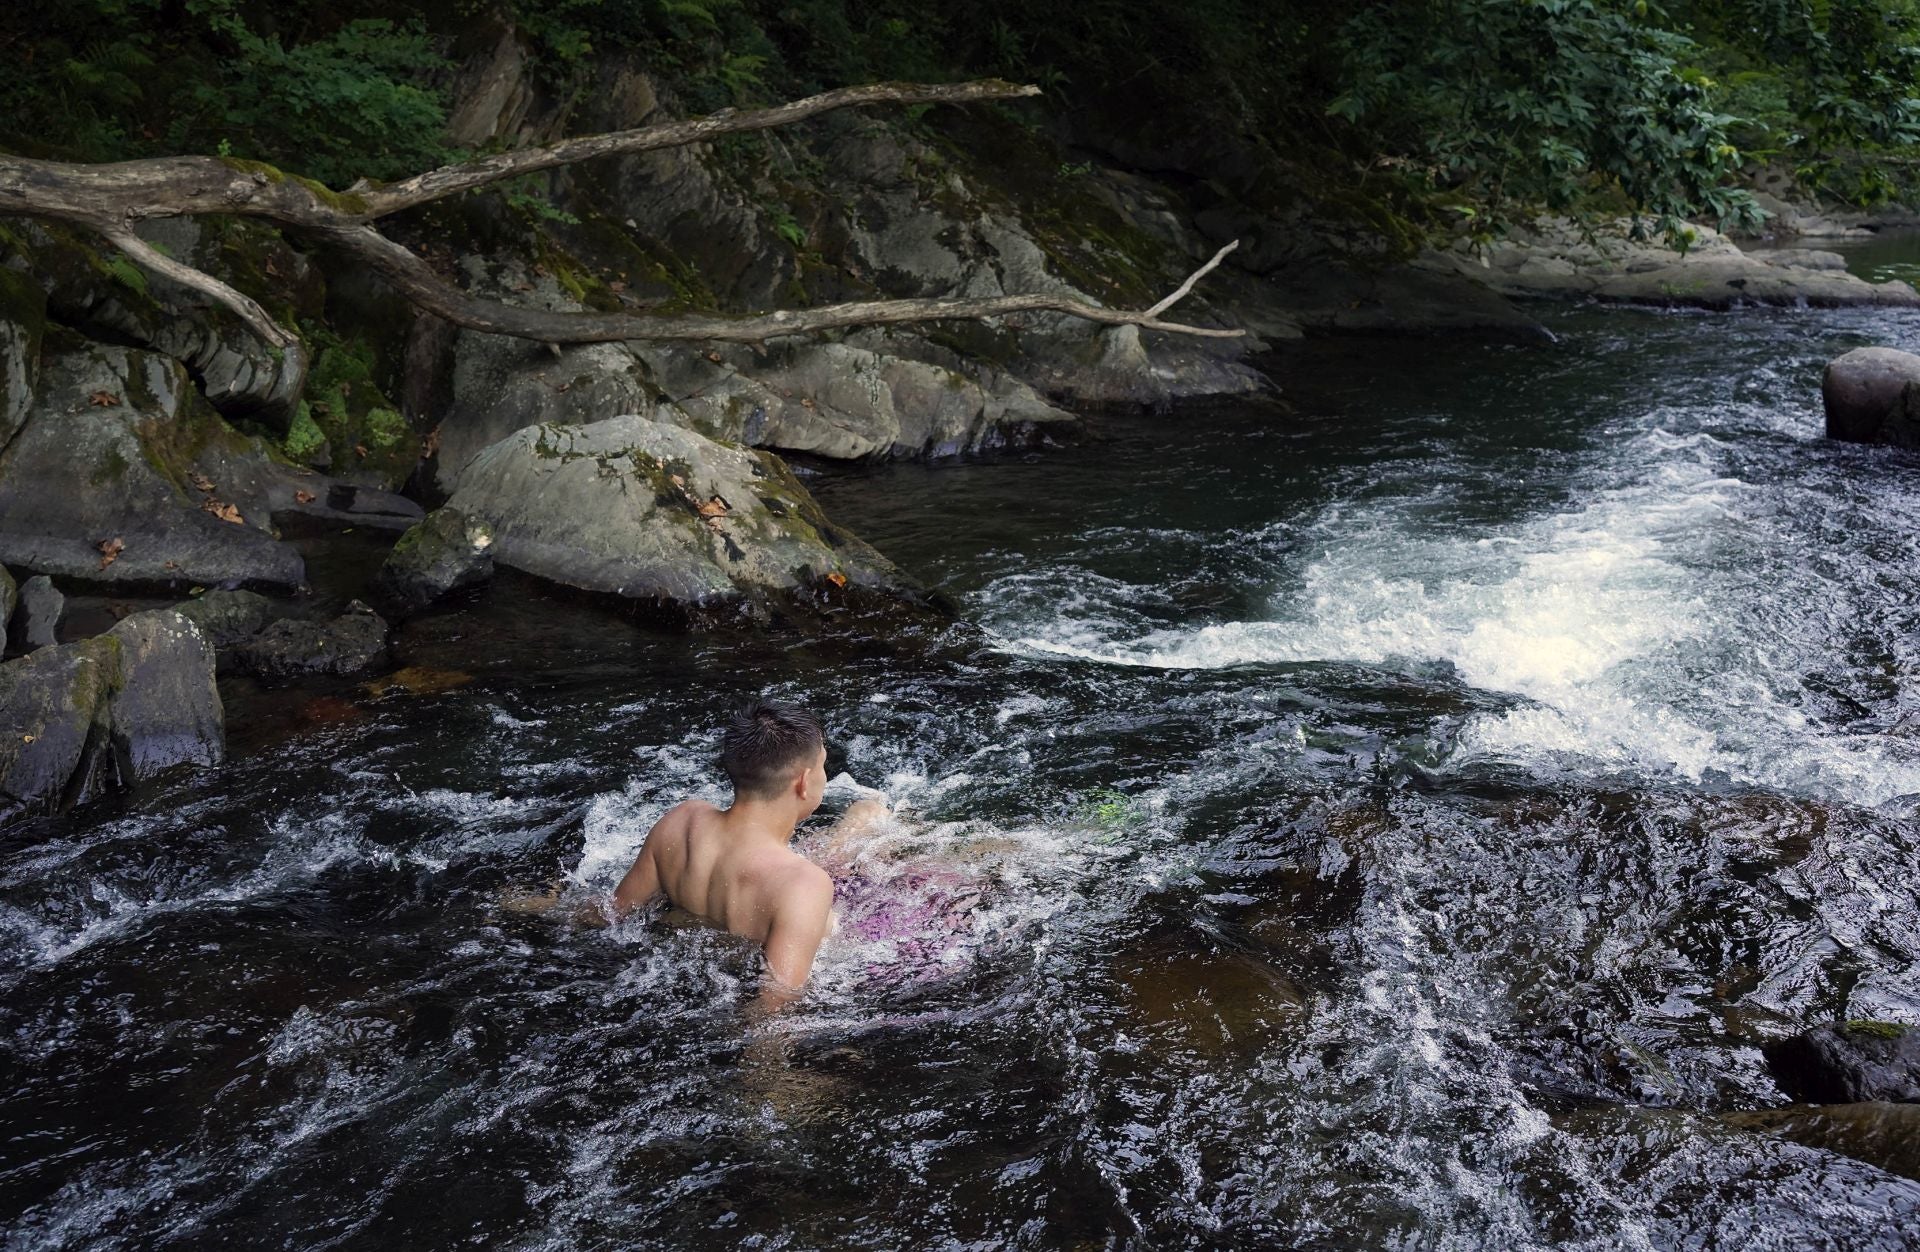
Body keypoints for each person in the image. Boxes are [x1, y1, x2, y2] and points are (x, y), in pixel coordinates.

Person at [610, 699, 887, 1001]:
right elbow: (774, 1006)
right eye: (822, 764)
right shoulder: (804, 884)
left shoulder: (681, 822)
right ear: (804, 782)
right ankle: (865, 823)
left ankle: (860, 824)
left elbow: (612, 913)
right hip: (743, 975)